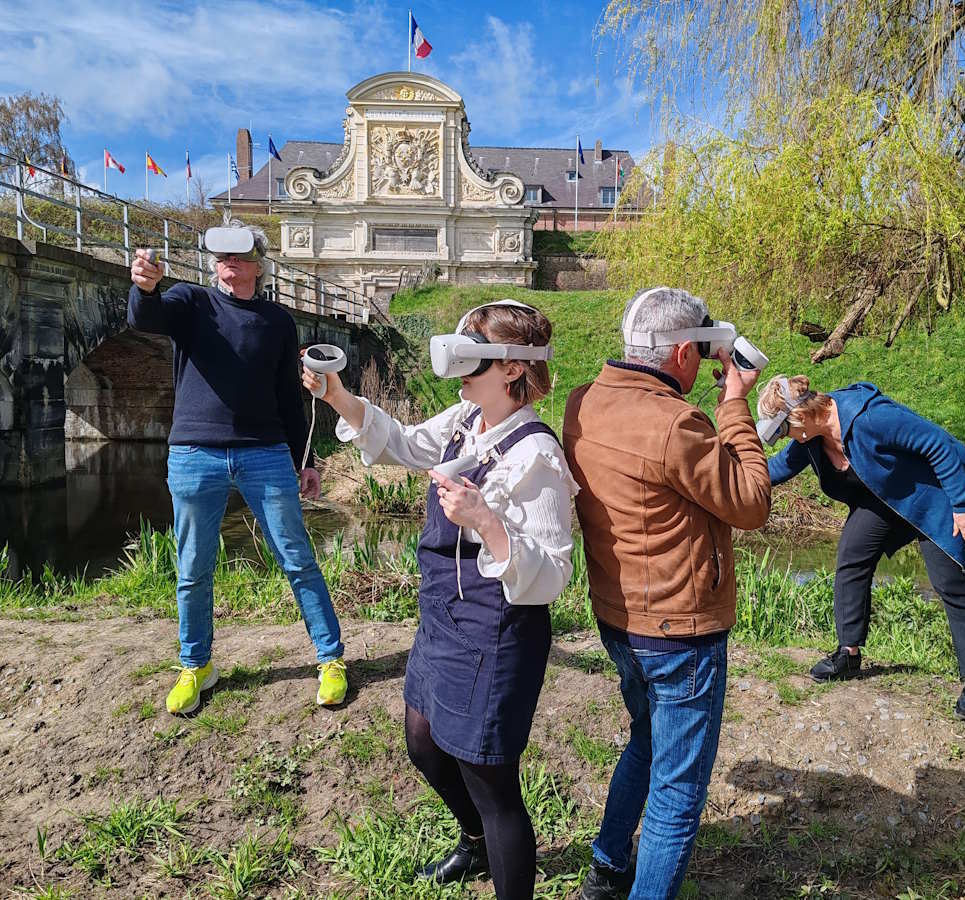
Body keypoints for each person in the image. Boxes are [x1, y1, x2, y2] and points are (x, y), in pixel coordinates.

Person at [309, 300, 577, 900]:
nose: (458, 368)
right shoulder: (465, 419)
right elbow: (401, 442)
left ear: (512, 369)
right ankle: (475, 842)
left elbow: (555, 571)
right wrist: (337, 396)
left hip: (497, 629)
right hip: (442, 617)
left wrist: (487, 521)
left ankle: (502, 864)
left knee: (492, 780)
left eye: (472, 355)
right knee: (423, 740)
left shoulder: (536, 454)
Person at [563, 287, 772, 900]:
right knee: (677, 798)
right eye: (701, 350)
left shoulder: (585, 402)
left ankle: (605, 867)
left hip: (618, 615)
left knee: (646, 737)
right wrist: (735, 402)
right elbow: (751, 503)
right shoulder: (677, 422)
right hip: (680, 630)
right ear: (683, 352)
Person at [127, 222, 347, 715]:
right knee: (193, 568)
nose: (230, 263)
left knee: (297, 559)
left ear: (258, 264)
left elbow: (288, 398)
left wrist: (304, 459)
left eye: (240, 256)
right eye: (222, 256)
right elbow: (147, 319)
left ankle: (330, 659)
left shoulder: (278, 321)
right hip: (194, 455)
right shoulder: (190, 302)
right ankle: (196, 665)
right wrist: (144, 287)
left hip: (265, 453)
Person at [756, 375, 965, 723]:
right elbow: (778, 467)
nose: (784, 440)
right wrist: (734, 477)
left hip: (936, 492)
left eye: (783, 431)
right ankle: (849, 652)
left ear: (800, 418)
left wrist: (963, 505)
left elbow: (939, 444)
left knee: (950, 581)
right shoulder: (811, 438)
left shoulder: (870, 418)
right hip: (888, 495)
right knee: (852, 556)